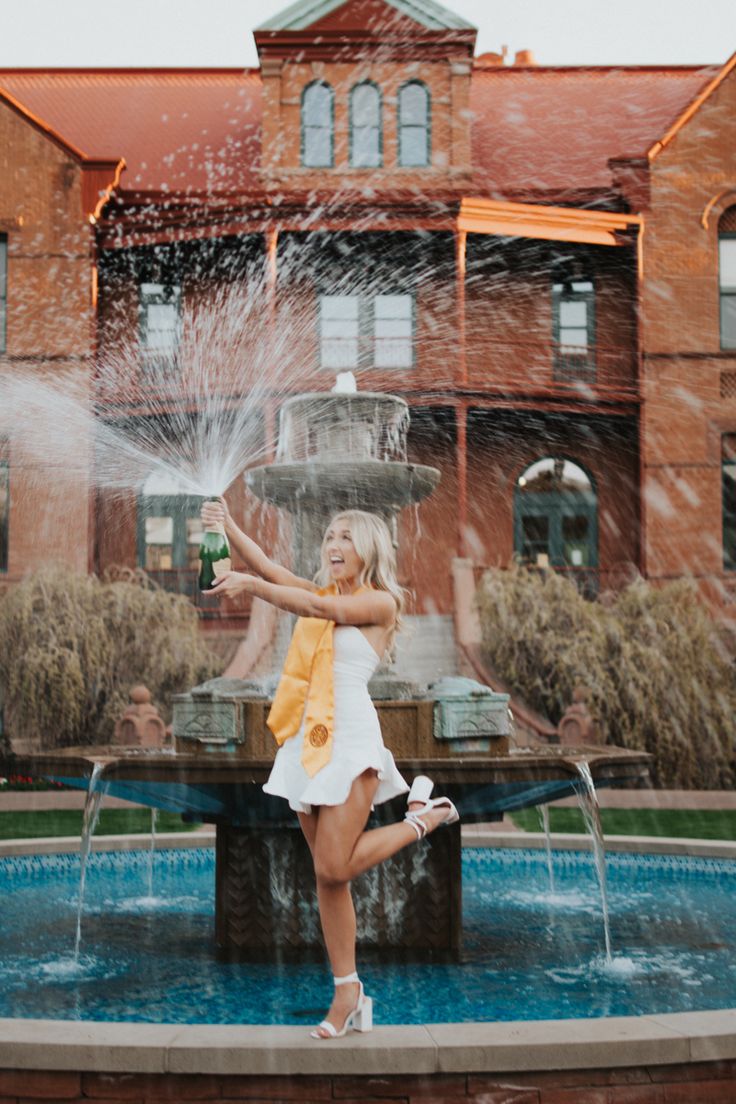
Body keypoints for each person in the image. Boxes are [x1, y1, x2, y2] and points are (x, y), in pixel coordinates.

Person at [202, 499, 459, 1039]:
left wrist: (250, 587)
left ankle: (424, 818)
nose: (333, 546)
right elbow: (275, 572)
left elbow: (315, 609)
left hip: (351, 741)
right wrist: (228, 527)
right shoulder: (322, 592)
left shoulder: (380, 603)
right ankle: (348, 990)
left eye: (345, 537)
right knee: (326, 876)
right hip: (307, 740)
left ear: (367, 547)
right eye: (328, 538)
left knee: (336, 867)